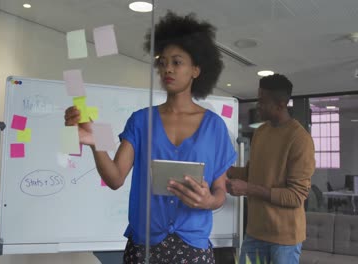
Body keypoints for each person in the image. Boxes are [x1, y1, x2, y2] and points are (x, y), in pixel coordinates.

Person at [64, 11, 236, 264]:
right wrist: (95, 143)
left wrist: (209, 200)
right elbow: (115, 178)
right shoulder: (140, 120)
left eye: (177, 62)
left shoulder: (215, 127)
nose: (167, 68)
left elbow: (220, 191)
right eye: (162, 61)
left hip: (193, 248)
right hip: (143, 247)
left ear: (196, 70)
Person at [226, 74, 315, 264]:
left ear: (281, 104)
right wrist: (225, 170)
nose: (258, 105)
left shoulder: (300, 139)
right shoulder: (260, 132)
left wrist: (248, 188)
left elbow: (296, 196)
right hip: (255, 233)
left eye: (262, 100)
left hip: (284, 241)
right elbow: (253, 174)